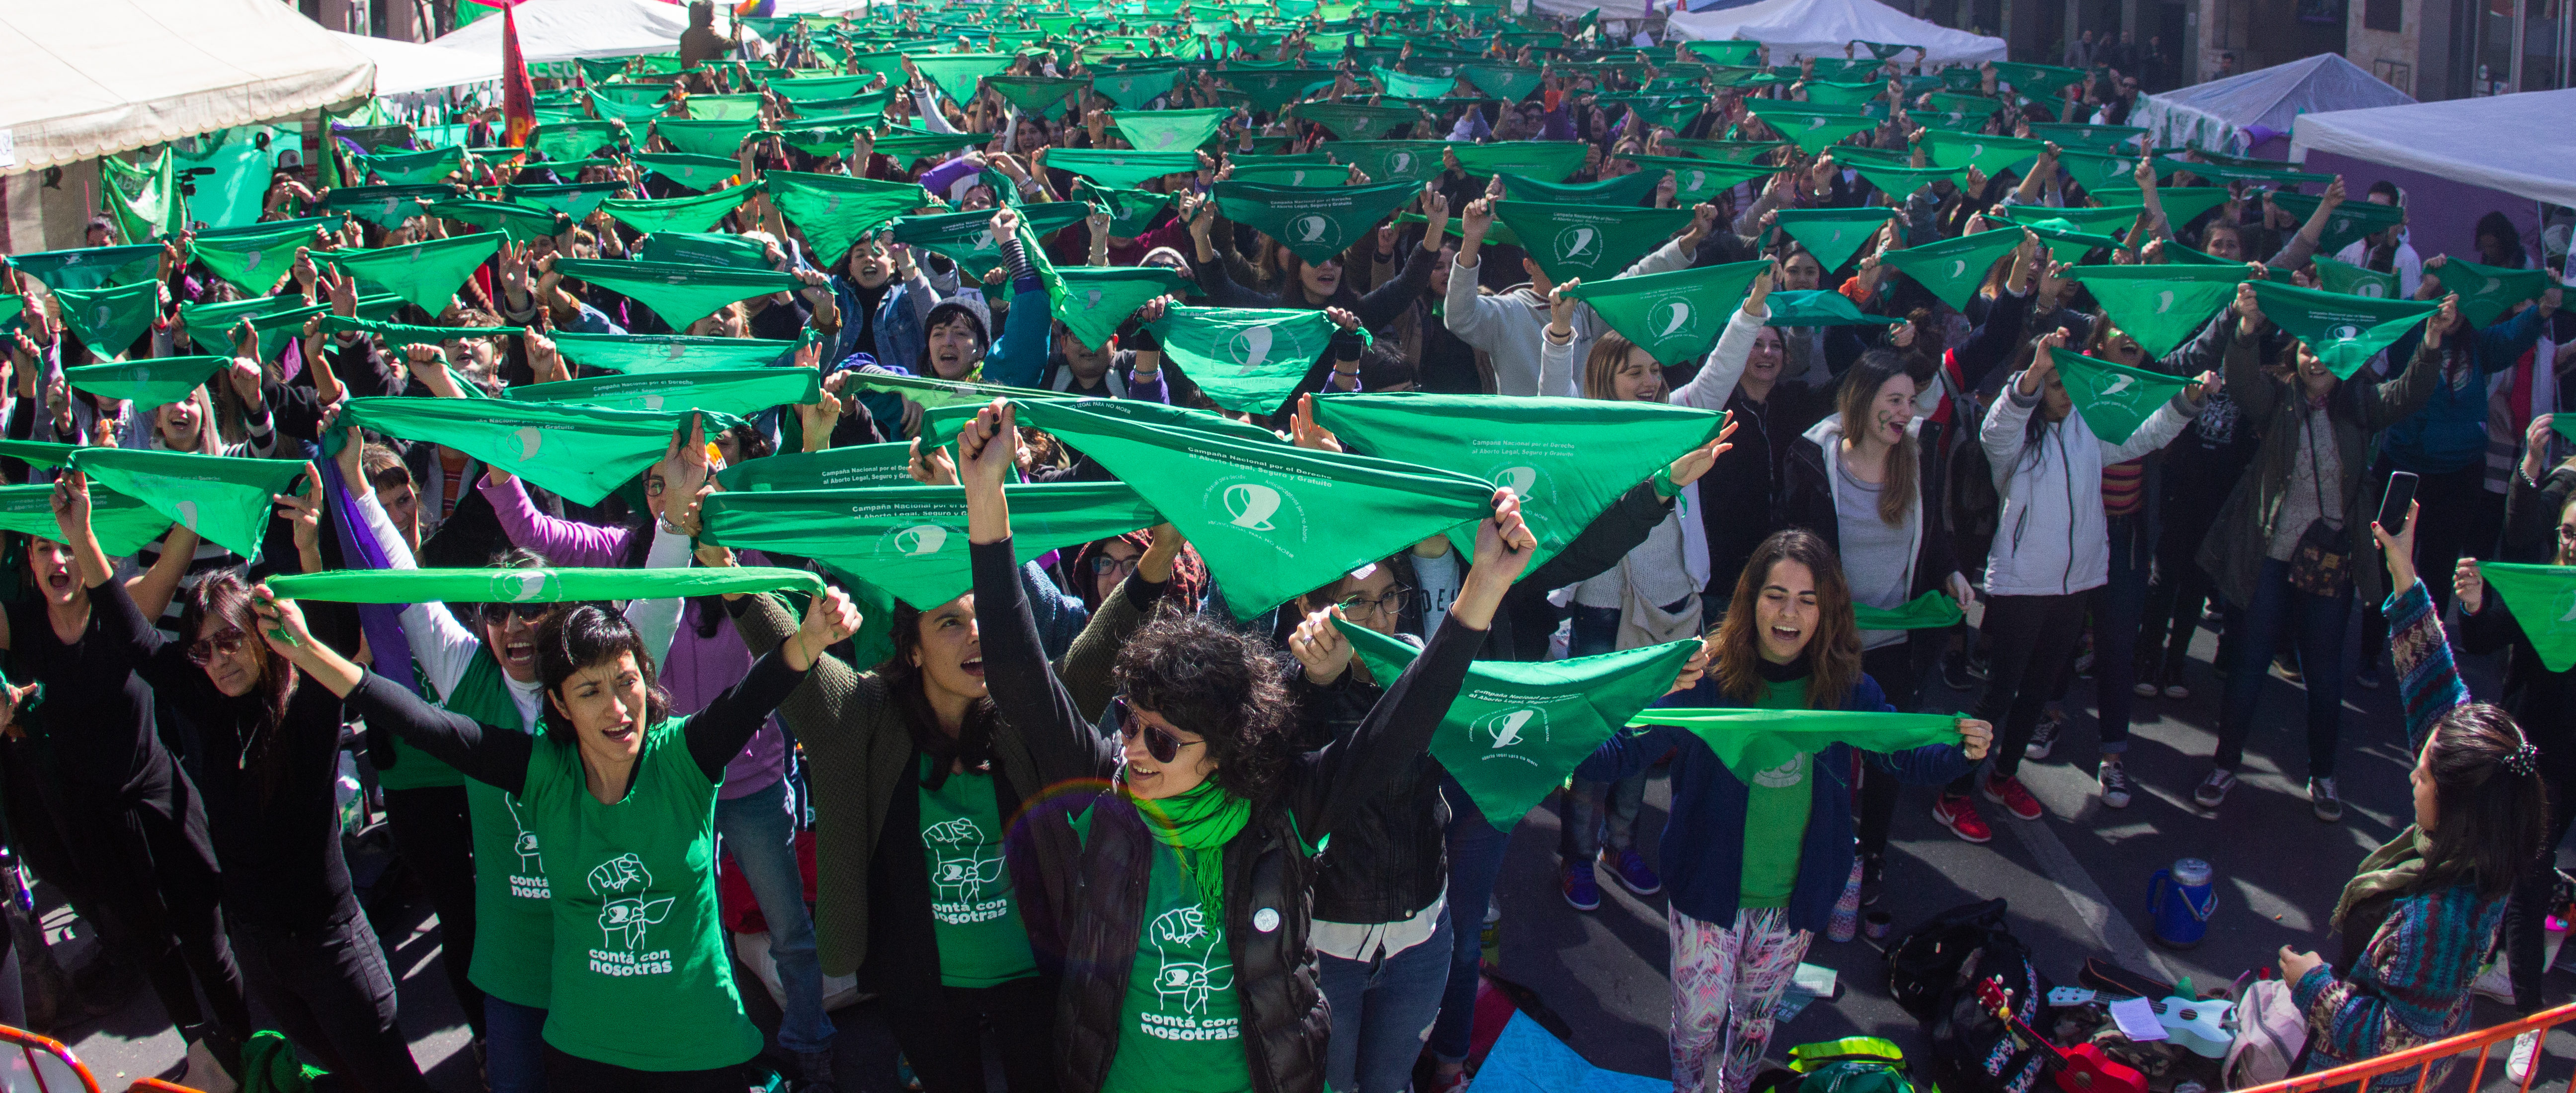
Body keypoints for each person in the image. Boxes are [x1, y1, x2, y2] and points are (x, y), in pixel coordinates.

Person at [959, 394, 1534, 1093]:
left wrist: (1485, 586)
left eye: (1162, 740)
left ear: (1222, 749)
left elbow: (1400, 729)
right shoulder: (1106, 793)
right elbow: (1020, 680)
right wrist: (984, 499)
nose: (1132, 748)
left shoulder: (1281, 814)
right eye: (1130, 721)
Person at [255, 566, 859, 1093]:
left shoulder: (685, 757)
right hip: (586, 1054)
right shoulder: (542, 772)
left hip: (703, 1048)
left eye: (626, 682)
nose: (617, 708)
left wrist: (812, 637)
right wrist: (305, 650)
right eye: (590, 691)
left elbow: (756, 692)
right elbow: (421, 723)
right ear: (562, 706)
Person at [686, 508, 1189, 1093]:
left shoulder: (1026, 706)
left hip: (1038, 975)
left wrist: (1161, 554)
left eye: (983, 619)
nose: (976, 634)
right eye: (950, 622)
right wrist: (726, 569)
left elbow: (1095, 655)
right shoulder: (866, 713)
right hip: (920, 984)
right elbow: (795, 662)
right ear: (914, 650)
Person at [51, 474, 433, 1093]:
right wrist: (82, 539)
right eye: (203, 651)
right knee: (334, 1080)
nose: (219, 659)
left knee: (390, 1083)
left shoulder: (306, 710)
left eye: (230, 640)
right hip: (259, 953)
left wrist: (308, 548)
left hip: (332, 952)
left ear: (259, 637)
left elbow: (331, 641)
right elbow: (137, 640)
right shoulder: (207, 706)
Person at [1580, 529, 1991, 1093]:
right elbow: (1627, 749)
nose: (1789, 613)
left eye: (1807, 599)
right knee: (1697, 1025)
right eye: (1775, 595)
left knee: (1755, 1022)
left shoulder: (1846, 689)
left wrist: (1960, 751)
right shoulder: (1707, 677)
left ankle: (1737, 1088)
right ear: (1751, 600)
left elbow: (1901, 755)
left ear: (1827, 611)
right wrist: (1555, 740)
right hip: (1707, 891)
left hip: (1794, 900)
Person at [2271, 502, 2546, 1088]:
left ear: (2457, 803)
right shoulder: (2490, 830)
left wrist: (2312, 984)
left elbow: (2399, 1043)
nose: (2412, 778)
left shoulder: (2444, 917)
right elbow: (2438, 692)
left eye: (2422, 776)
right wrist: (2403, 568)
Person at [1933, 328, 2211, 838]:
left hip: (2076, 583)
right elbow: (1998, 425)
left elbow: (2144, 435)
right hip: (2022, 586)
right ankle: (1953, 793)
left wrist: (2186, 403)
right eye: (2055, 384)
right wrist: (2034, 374)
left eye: (2069, 385)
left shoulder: (2088, 430)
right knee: (1998, 696)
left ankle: (2003, 776)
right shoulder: (2013, 442)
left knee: (2038, 691)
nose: (2065, 395)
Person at [2196, 287, 2448, 816]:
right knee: (2249, 663)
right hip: (2270, 556)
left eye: (2329, 354)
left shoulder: (2362, 404)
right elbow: (2241, 380)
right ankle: (2224, 765)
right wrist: (2246, 330)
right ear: (2297, 354)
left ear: (2346, 360)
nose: (2317, 361)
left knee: (2324, 675)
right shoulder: (2277, 398)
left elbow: (2409, 394)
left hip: (2331, 563)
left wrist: (2430, 343)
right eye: (2309, 350)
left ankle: (2325, 775)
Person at [1780, 350, 1971, 890]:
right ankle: (1817, 853)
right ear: (1863, 401)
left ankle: (1874, 855)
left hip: (1894, 643)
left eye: (1911, 401)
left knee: (1888, 753)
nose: (1906, 412)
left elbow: (1933, 535)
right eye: (1895, 400)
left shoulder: (1918, 459)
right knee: (1826, 753)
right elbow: (1788, 545)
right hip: (1830, 644)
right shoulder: (1813, 460)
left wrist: (1951, 572)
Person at [2452, 418, 2576, 1080]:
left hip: (2573, 763)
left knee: (2531, 872)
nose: (2571, 545)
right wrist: (2474, 605)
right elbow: (2481, 639)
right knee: (2518, 868)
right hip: (2526, 754)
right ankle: (2522, 1002)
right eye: (2568, 533)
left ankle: (2523, 1001)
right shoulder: (2539, 582)